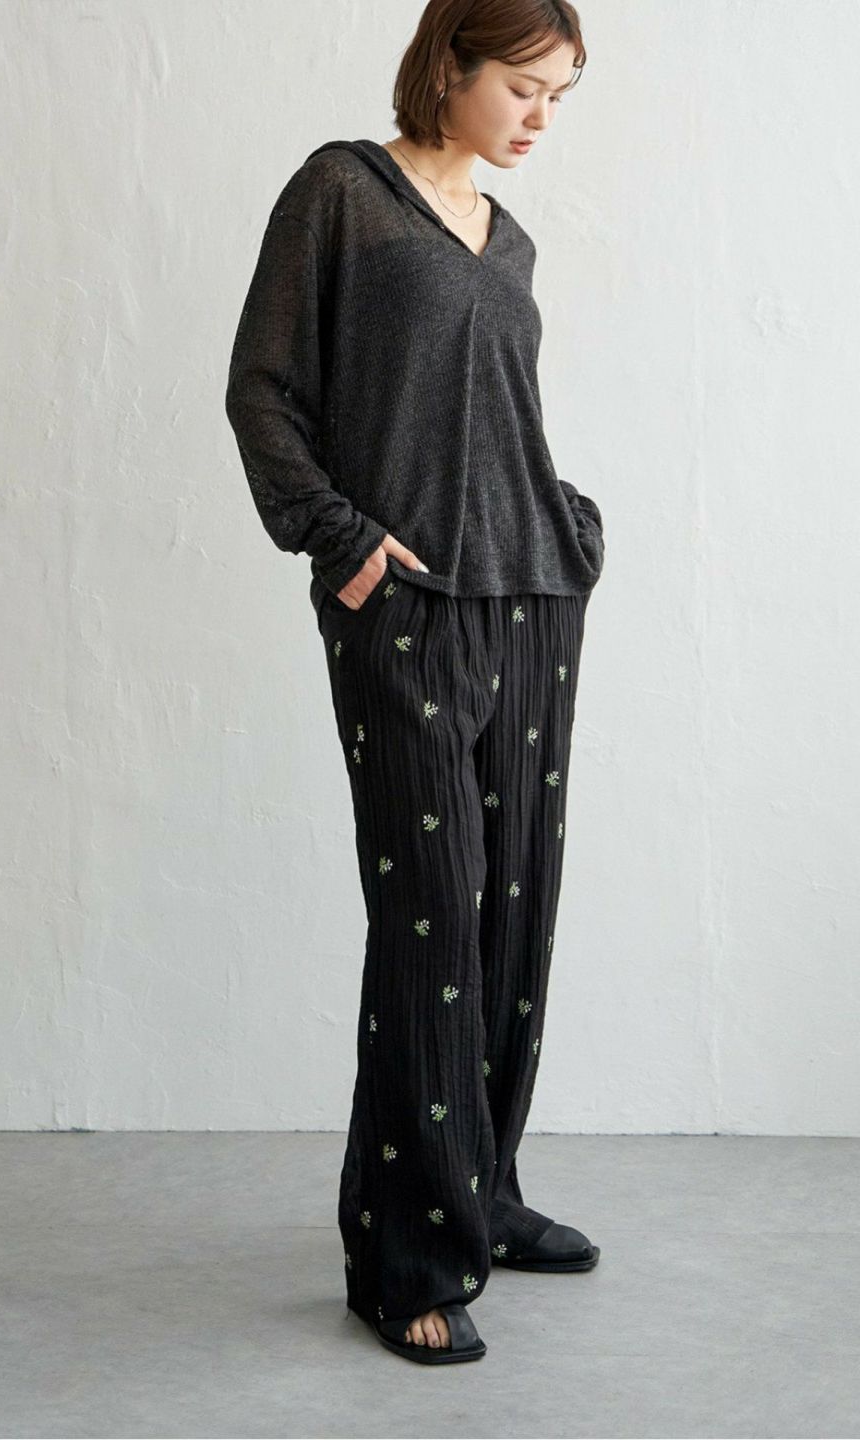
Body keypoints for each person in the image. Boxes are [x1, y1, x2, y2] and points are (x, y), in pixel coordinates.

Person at [225, 0, 604, 1365]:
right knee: (432, 919)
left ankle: (482, 1192)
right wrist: (338, 543)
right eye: (525, 85)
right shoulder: (343, 194)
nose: (542, 117)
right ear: (451, 64)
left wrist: (571, 532)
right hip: (406, 609)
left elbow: (503, 421)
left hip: (533, 597)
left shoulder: (513, 240)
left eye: (561, 94)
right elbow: (262, 389)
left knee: (512, 916)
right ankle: (406, 1259)